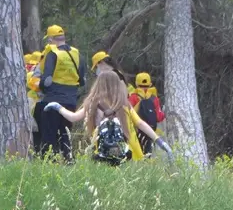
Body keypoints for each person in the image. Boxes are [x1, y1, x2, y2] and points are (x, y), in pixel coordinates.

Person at [44, 72, 172, 164]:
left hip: (100, 152)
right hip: (123, 152)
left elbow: (72, 117)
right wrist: (160, 142)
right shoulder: (123, 103)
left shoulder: (93, 102)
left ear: (98, 84)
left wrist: (57, 107)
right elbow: (140, 123)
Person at [36, 25, 85, 162]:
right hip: (70, 101)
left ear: (51, 39)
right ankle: (68, 160)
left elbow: (46, 81)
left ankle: (49, 162)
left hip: (52, 100)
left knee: (49, 135)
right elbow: (82, 80)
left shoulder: (52, 53)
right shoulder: (77, 54)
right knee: (65, 133)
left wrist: (39, 85)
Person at [128, 72, 165, 155]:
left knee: (136, 154)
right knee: (148, 154)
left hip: (136, 130)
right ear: (150, 84)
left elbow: (128, 113)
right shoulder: (154, 98)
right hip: (150, 131)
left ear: (136, 83)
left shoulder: (133, 97)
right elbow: (159, 117)